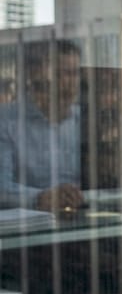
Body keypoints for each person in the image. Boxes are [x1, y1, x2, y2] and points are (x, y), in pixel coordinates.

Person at [0, 39, 84, 212]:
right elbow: (1, 187)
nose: (69, 83)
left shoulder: (83, 120)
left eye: (74, 73)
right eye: (60, 74)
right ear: (35, 75)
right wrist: (40, 197)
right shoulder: (5, 120)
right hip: (30, 227)